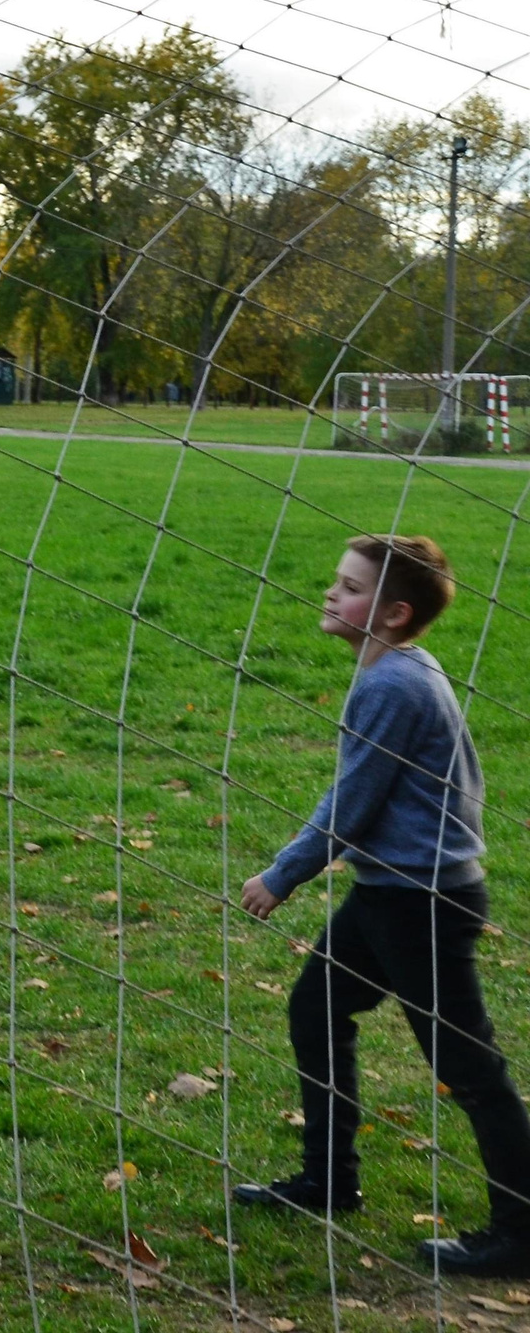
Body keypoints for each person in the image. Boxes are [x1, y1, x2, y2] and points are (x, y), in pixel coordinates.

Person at [232, 533, 530, 1276]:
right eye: (336, 580)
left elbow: (353, 803)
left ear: (394, 613)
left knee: (469, 1066)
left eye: (350, 586)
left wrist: (284, 874)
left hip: (422, 902)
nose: (333, 593)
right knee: (316, 1007)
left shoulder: (393, 685)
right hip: (390, 893)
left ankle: (521, 1232)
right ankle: (329, 1180)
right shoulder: (398, 670)